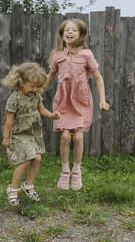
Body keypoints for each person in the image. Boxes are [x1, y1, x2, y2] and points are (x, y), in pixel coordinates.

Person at [47, 19, 110, 191]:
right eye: (66, 30)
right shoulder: (57, 55)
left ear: (80, 34)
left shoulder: (86, 54)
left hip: (81, 100)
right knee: (66, 137)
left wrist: (102, 100)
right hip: (63, 101)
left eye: (74, 30)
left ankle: (77, 170)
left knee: (78, 137)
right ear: (62, 34)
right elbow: (50, 76)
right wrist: (35, 89)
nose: (69, 32)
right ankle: (65, 170)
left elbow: (98, 78)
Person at [2, 62, 60, 206]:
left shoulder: (35, 97)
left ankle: (28, 185)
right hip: (19, 134)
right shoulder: (14, 99)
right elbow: (8, 121)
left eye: (38, 87)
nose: (35, 90)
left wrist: (52, 116)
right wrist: (5, 137)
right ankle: (13, 189)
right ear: (21, 82)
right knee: (25, 160)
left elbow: (42, 110)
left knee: (37, 159)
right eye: (32, 86)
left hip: (33, 133)